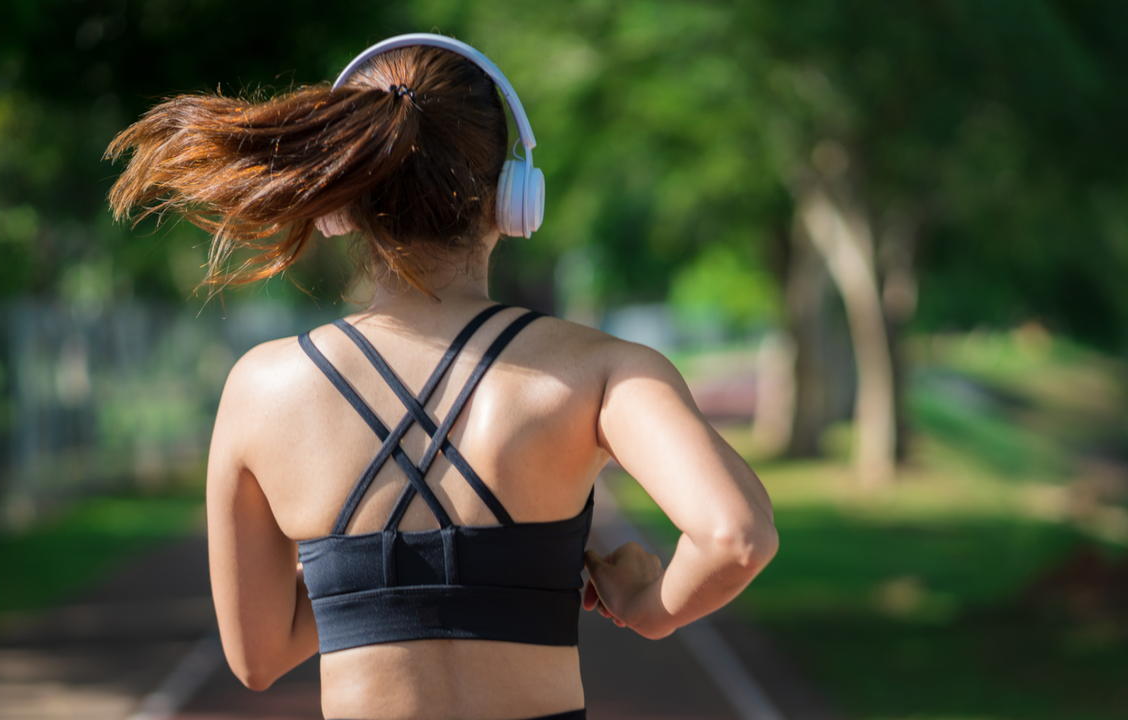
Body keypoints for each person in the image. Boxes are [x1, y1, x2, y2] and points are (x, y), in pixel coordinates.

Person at [106, 33, 778, 720]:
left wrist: (359, 579)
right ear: (514, 197)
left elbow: (258, 657)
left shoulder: (260, 390)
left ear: (344, 200)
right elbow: (735, 536)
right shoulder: (602, 370)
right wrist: (649, 606)